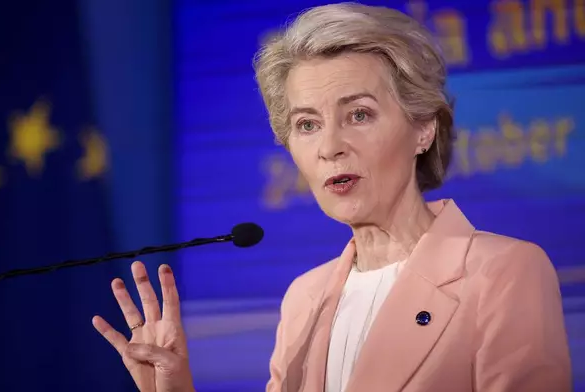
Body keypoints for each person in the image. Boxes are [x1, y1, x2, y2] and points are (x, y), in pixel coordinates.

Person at [92, 3, 573, 391]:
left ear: (423, 127)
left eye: (359, 115)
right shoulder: (306, 297)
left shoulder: (502, 273)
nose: (329, 147)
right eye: (307, 125)